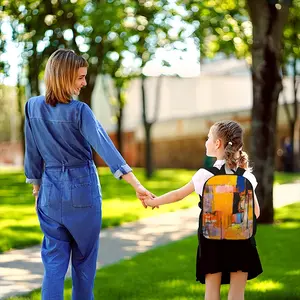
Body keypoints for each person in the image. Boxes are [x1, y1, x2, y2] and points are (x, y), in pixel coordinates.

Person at [24, 49, 153, 300]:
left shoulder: (32, 107)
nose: (84, 83)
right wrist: (136, 184)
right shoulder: (79, 111)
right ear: (64, 77)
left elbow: (32, 153)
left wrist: (37, 189)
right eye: (80, 77)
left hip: (49, 194)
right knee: (83, 264)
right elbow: (107, 148)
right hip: (82, 191)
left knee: (53, 265)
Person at [145, 120, 262, 300]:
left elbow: (178, 195)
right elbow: (256, 213)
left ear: (217, 144)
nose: (206, 142)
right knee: (237, 295)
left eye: (208, 138)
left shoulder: (204, 175)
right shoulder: (246, 176)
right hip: (241, 242)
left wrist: (154, 202)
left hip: (212, 243)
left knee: (211, 294)